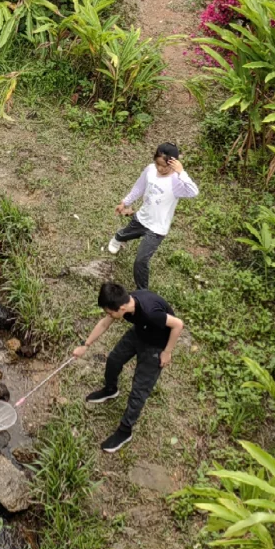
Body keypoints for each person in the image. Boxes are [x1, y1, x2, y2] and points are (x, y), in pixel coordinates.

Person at [72, 280, 184, 453]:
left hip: (156, 345)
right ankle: (110, 389)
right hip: (139, 332)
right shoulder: (125, 301)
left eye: (109, 312)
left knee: (139, 390)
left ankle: (125, 431)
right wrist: (85, 345)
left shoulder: (150, 312)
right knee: (114, 360)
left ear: (121, 309)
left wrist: (167, 352)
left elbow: (178, 324)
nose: (108, 314)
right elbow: (104, 323)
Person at [108, 142, 198, 290]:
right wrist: (125, 202)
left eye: (166, 166)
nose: (161, 169)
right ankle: (118, 238)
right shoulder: (150, 170)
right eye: (158, 164)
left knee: (141, 261)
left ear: (174, 164)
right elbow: (139, 188)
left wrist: (182, 172)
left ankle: (142, 291)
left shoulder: (176, 181)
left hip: (157, 228)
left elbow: (193, 192)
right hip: (142, 217)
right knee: (125, 233)